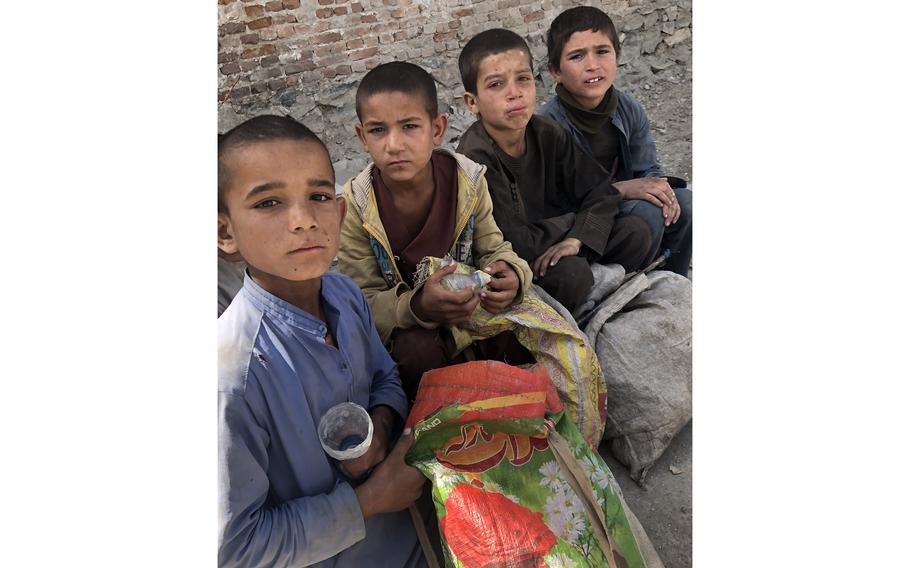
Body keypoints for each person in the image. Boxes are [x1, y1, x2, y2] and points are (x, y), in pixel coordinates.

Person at [217, 114, 427, 567]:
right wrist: (370, 499)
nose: (303, 220)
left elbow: (386, 377)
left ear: (341, 210)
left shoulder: (345, 296)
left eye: (317, 196)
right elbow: (236, 551)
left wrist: (382, 427)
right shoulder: (232, 373)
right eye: (269, 202)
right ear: (225, 233)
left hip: (417, 539)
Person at [337, 61, 535, 400]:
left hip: (472, 308)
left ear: (438, 128)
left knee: (518, 338)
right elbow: (363, 302)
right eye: (378, 130)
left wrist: (511, 274)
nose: (394, 145)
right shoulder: (355, 205)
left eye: (410, 126)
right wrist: (418, 307)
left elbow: (493, 247)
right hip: (411, 326)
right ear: (362, 137)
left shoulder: (467, 181)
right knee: (416, 354)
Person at [455, 28, 652, 315]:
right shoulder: (475, 160)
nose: (515, 93)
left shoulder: (546, 132)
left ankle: (601, 298)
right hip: (520, 263)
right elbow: (514, 242)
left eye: (523, 79)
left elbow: (600, 190)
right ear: (472, 102)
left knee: (636, 232)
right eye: (496, 85)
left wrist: (577, 239)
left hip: (562, 244)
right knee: (572, 275)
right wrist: (574, 223)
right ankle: (575, 315)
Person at [539, 5, 692, 277]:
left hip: (622, 203)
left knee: (685, 203)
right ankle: (634, 283)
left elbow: (648, 169)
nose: (592, 65)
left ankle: (673, 283)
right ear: (555, 71)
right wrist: (625, 190)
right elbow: (558, 204)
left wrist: (663, 192)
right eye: (577, 56)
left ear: (617, 56)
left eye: (602, 51)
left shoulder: (627, 107)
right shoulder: (549, 128)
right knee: (647, 212)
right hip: (582, 219)